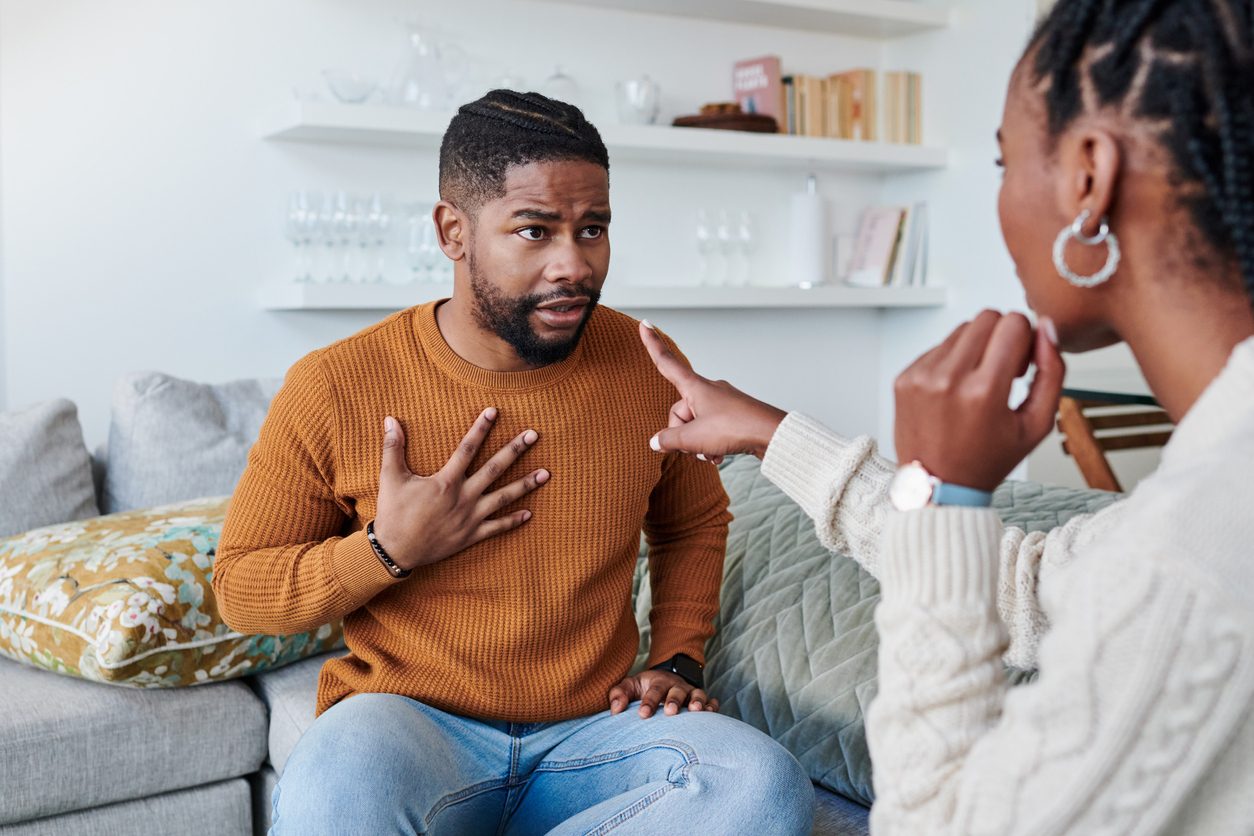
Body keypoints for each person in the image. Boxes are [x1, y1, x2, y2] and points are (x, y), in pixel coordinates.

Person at [638, 0, 1254, 832]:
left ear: (1087, 179)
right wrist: (773, 433)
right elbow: (1028, 588)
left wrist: (944, 484)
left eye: (1004, 163)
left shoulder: (1204, 543)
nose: (999, 203)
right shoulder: (1212, 483)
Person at [212, 90, 813, 835]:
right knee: (330, 790)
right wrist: (385, 551)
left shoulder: (644, 364)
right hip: (412, 726)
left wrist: (680, 657)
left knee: (762, 785)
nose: (574, 264)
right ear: (452, 231)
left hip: (595, 732)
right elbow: (241, 589)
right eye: (535, 231)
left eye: (592, 230)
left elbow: (693, 520)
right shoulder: (335, 384)